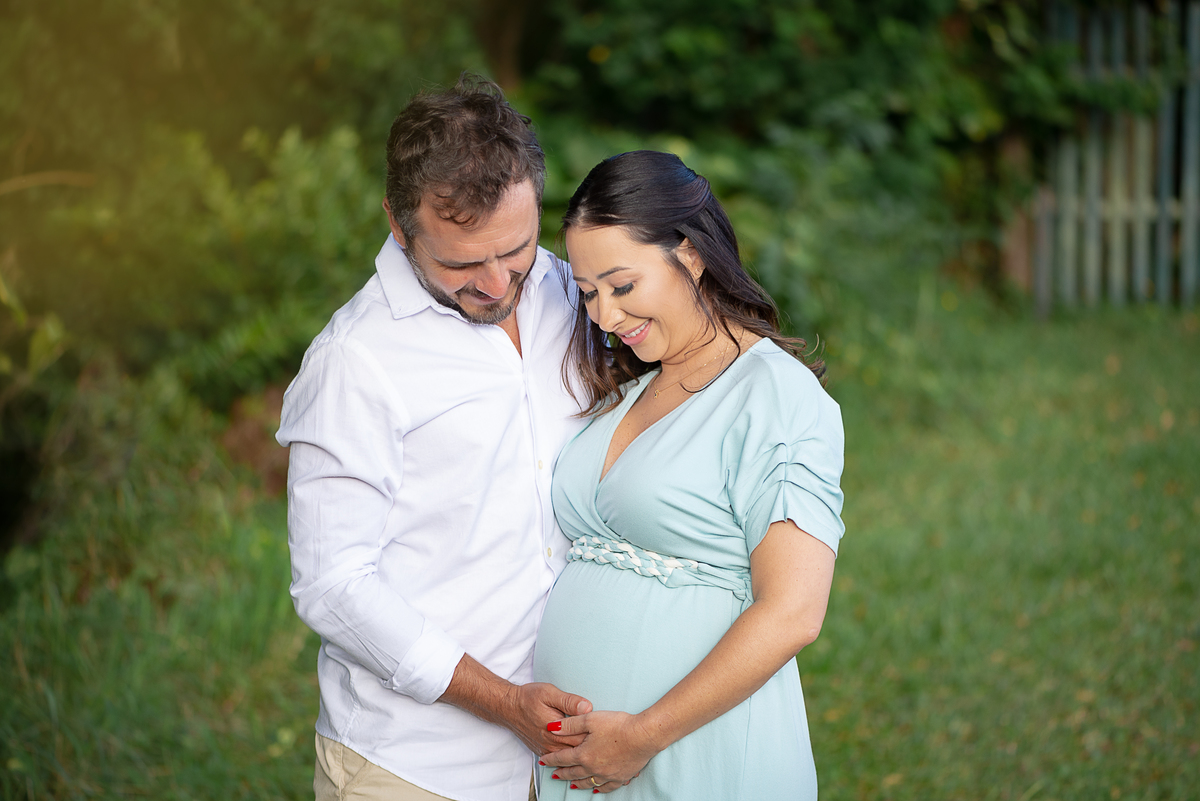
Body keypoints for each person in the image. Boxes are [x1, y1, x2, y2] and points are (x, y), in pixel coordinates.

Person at [276, 75, 593, 801]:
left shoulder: (570, 292)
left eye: (513, 248)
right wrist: (505, 700)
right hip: (417, 767)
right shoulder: (354, 361)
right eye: (459, 262)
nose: (493, 282)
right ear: (397, 222)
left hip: (568, 767)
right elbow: (335, 584)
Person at [533, 150, 845, 799]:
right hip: (581, 767)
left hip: (694, 752)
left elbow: (794, 611)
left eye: (622, 285)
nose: (605, 316)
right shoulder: (627, 388)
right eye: (588, 293)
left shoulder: (774, 395)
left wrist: (642, 734)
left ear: (691, 253)